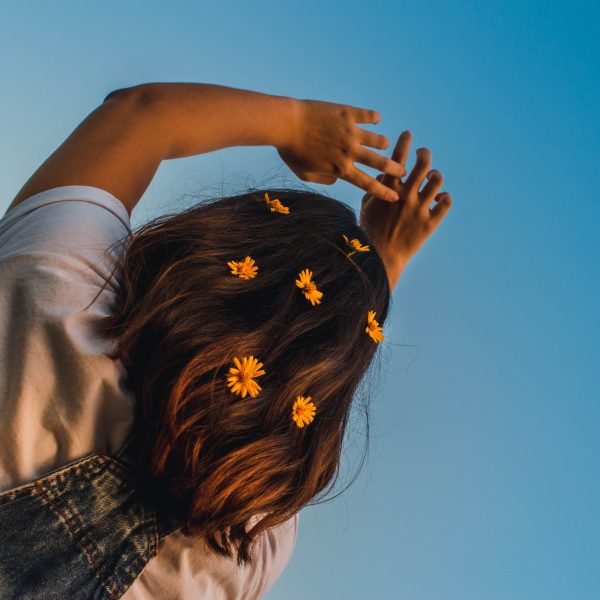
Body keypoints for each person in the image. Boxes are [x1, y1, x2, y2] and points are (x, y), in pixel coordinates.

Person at [0, 82, 452, 599]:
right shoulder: (248, 549)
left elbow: (140, 114)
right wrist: (380, 266)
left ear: (209, 243)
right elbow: (295, 408)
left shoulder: (57, 288)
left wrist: (300, 122)